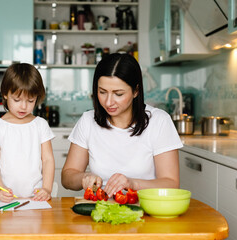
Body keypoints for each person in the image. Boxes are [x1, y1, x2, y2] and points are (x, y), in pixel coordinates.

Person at [61, 53, 183, 198]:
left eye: (118, 94)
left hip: (146, 211)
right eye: (102, 92)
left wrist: (133, 184)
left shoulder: (159, 121)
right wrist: (83, 178)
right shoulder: (88, 121)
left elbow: (171, 183)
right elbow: (67, 177)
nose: (108, 102)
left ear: (136, 91)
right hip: (100, 210)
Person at [0, 63, 55, 202]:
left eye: (30, 100)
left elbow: (48, 160)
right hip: (4, 199)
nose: (23, 106)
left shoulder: (40, 125)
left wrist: (46, 189)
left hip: (35, 199)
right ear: (5, 94)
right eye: (17, 100)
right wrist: (0, 189)